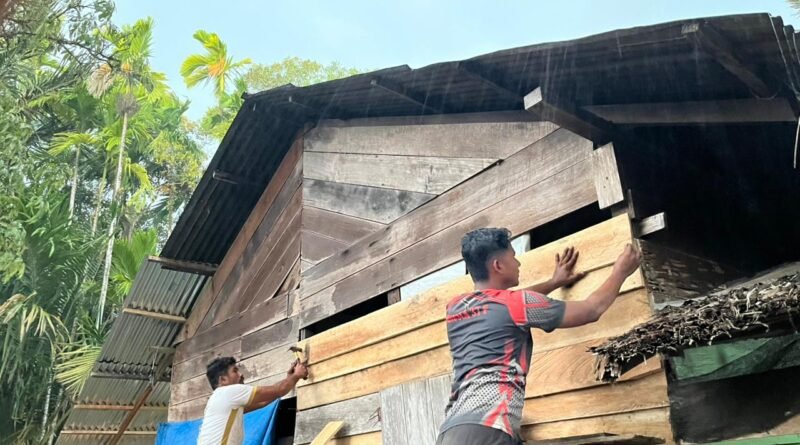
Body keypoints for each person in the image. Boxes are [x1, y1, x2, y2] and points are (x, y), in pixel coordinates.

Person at [436, 228, 642, 445]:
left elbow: (513, 302)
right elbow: (591, 310)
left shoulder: (455, 308)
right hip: (488, 431)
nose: (518, 263)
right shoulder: (516, 304)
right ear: (498, 266)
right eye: (513, 257)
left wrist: (554, 282)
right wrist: (620, 272)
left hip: (449, 432)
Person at [197, 356, 308, 445]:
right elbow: (279, 390)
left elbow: (263, 401)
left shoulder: (219, 400)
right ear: (223, 380)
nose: (241, 374)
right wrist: (296, 375)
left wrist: (290, 378)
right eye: (235, 371)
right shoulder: (229, 392)